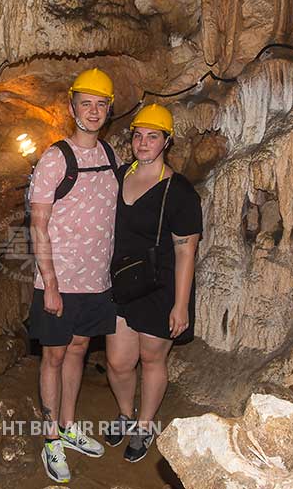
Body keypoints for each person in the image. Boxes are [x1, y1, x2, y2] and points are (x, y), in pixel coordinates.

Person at [27, 68, 121, 483]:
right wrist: (49, 283)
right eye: (87, 103)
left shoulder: (112, 156)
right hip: (59, 281)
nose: (94, 110)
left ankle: (67, 425)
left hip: (96, 281)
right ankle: (50, 439)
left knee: (80, 351)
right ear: (72, 107)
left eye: (101, 104)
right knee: (54, 354)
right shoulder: (55, 158)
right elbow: (37, 225)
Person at [104, 104, 202, 463]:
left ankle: (144, 426)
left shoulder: (179, 191)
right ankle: (124, 413)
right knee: (118, 361)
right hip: (120, 282)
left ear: (166, 141)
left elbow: (186, 249)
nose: (143, 143)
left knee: (151, 357)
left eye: (153, 137)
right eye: (138, 135)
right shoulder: (116, 177)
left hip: (162, 285)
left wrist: (180, 303)